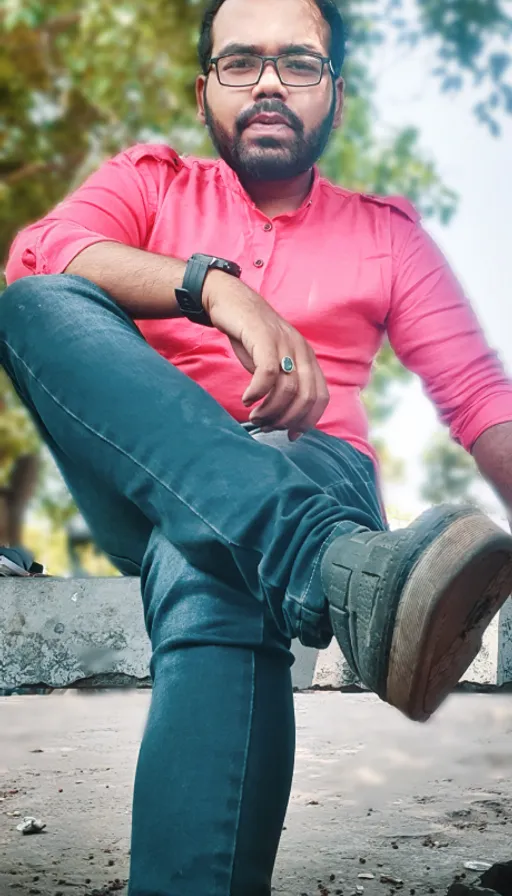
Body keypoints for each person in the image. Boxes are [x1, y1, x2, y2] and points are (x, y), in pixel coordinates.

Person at [1, 0, 512, 891]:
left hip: (316, 465)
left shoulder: (388, 235)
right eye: (240, 63)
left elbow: (478, 398)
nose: (269, 81)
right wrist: (213, 290)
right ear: (205, 92)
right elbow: (44, 255)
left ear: (336, 98)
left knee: (213, 560)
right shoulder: (150, 183)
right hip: (143, 475)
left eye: (298, 64)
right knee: (33, 304)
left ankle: (309, 548)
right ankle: (334, 568)